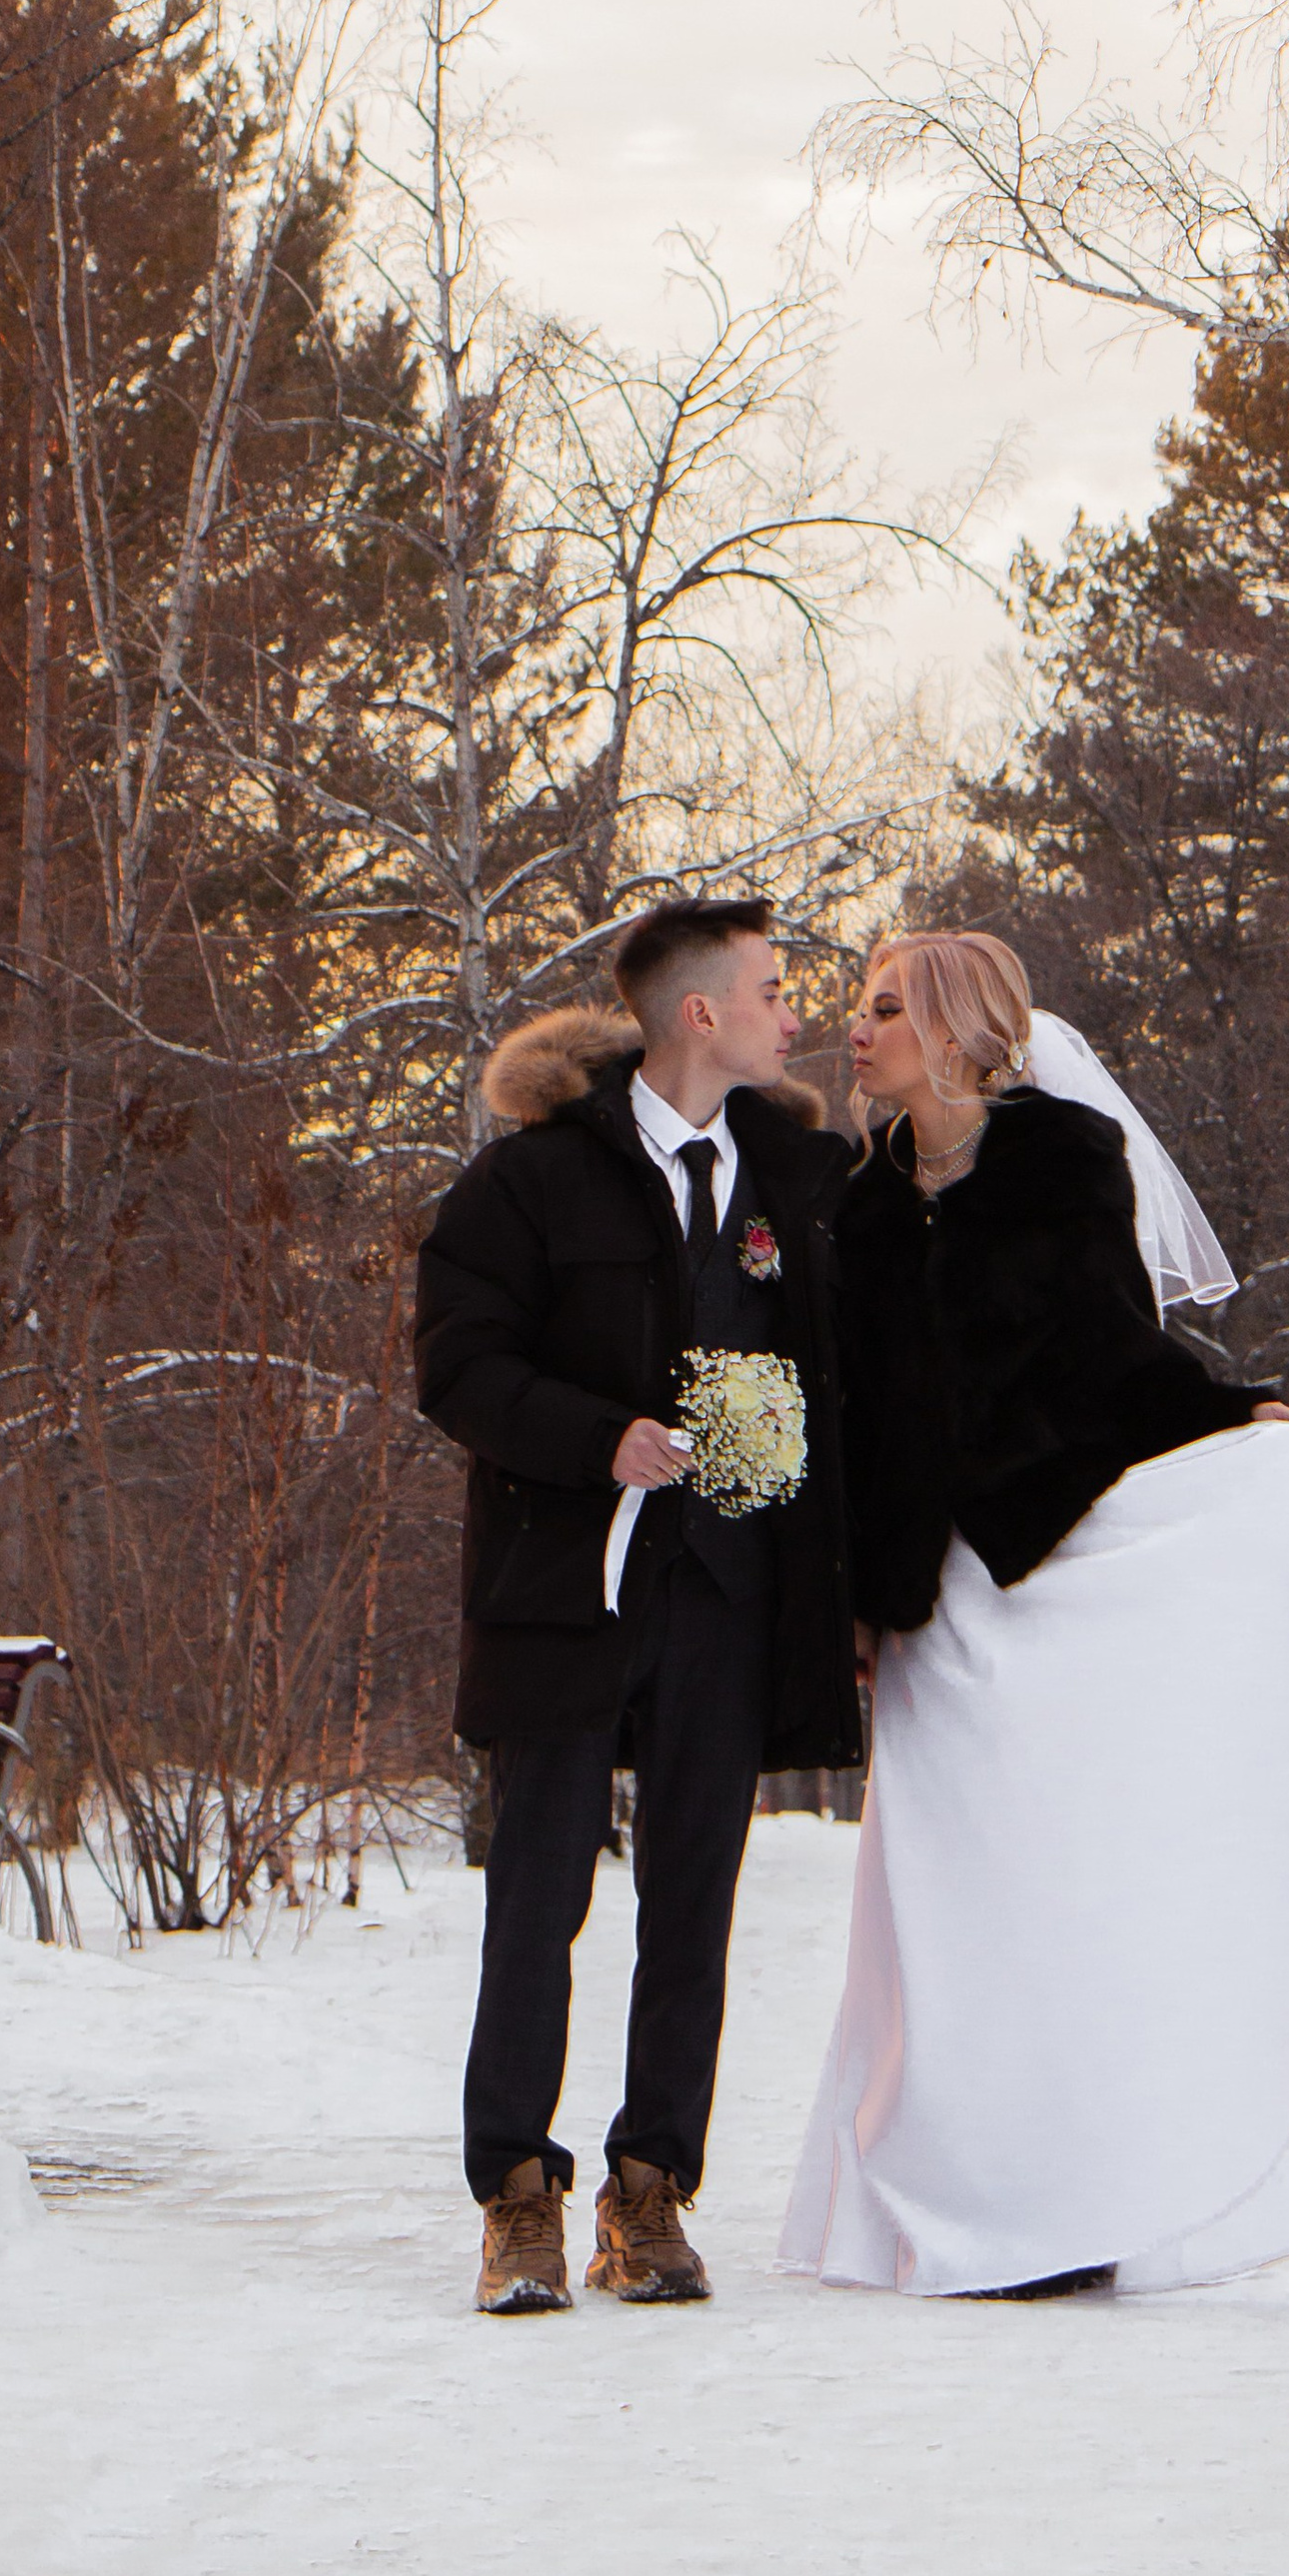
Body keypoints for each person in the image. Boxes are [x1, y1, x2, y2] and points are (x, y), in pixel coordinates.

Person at [780, 928, 1289, 2300]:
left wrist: (1233, 1414)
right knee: (939, 1913)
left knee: (1055, 1898)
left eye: (887, 1008)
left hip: (1037, 1561)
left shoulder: (1065, 1164)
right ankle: (956, 2205)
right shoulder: (848, 1206)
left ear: (964, 1029)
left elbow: (1115, 1355)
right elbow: (841, 1417)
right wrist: (850, 1598)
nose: (857, 1031)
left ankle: (1074, 2203)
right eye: (858, 1009)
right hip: (925, 1599)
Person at [416, 895, 858, 2316]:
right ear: (698, 1014)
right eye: (772, 989)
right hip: (565, 1590)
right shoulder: (529, 1182)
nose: (796, 1015)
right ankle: (520, 2200)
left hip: (731, 1597)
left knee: (694, 1904)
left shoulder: (802, 1173)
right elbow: (460, 1368)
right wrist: (595, 1434)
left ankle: (650, 2188)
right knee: (536, 1897)